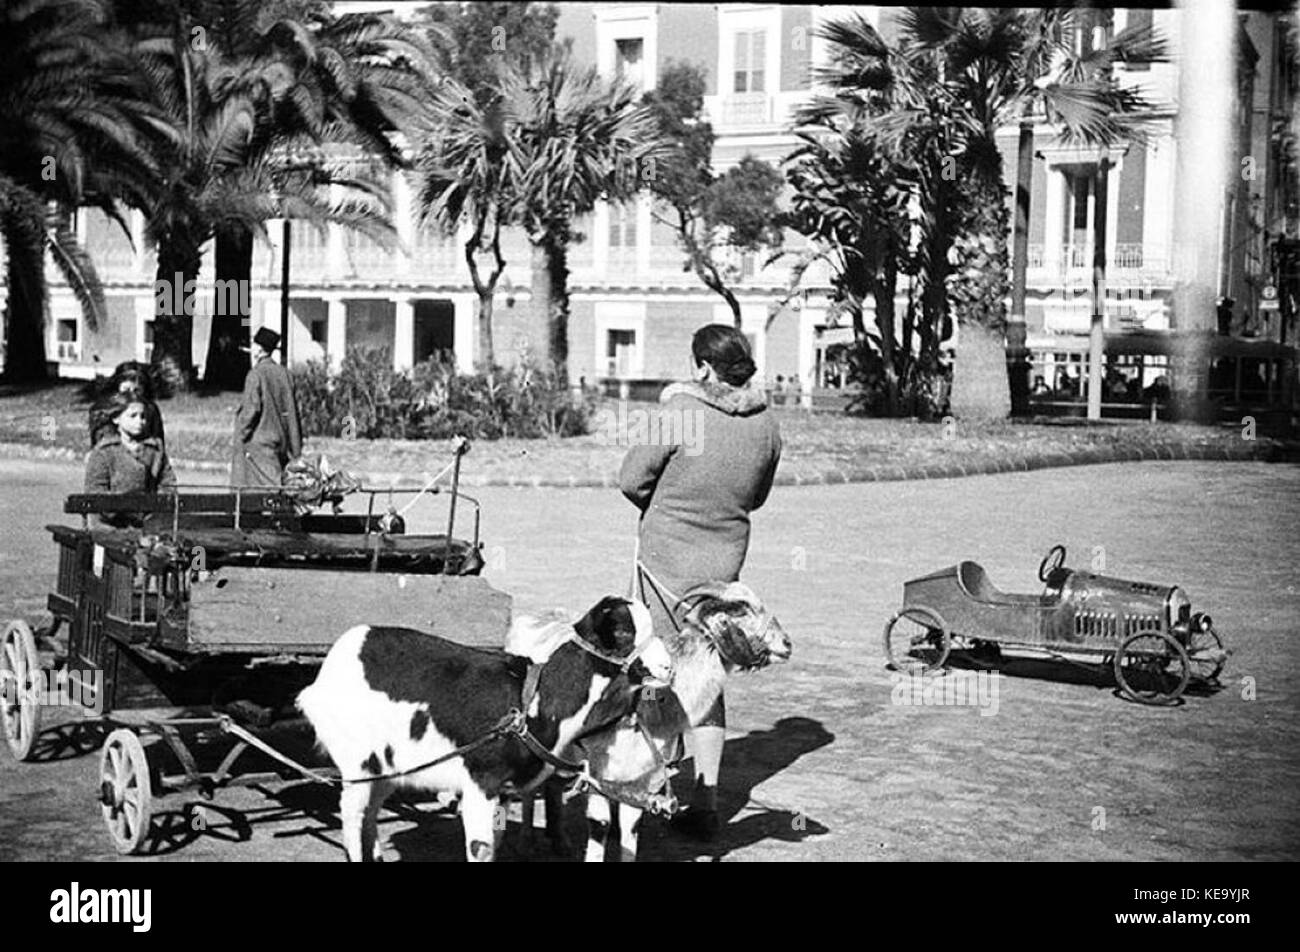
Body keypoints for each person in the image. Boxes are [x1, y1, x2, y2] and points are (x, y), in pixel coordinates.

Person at [619, 324, 782, 839]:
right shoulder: (765, 425)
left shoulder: (681, 414)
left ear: (703, 367)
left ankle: (654, 788)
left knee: (656, 671)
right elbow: (756, 497)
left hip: (664, 564)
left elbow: (630, 479)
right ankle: (706, 798)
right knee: (707, 677)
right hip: (723, 570)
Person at [84, 392, 176, 527]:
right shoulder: (104, 452)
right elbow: (95, 492)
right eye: (132, 416)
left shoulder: (154, 450)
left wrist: (157, 506)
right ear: (116, 419)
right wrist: (119, 507)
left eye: (143, 416)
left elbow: (168, 483)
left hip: (148, 523)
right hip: (110, 525)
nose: (139, 421)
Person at [232, 327, 303, 487]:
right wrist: (296, 448)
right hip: (281, 444)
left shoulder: (255, 374)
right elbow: (293, 412)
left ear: (258, 349)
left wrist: (240, 435)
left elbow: (250, 411)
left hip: (258, 446)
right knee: (277, 492)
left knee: (255, 495)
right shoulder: (285, 374)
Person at [89, 361, 165, 448]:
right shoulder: (102, 411)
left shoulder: (151, 410)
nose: (131, 395)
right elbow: (100, 445)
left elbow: (158, 444)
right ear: (117, 387)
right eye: (126, 390)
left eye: (137, 391)